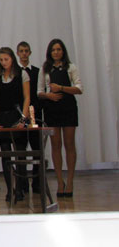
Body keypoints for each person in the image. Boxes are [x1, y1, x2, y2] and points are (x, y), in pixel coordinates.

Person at [37, 39, 82, 197]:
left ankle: (70, 180)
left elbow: (79, 88)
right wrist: (48, 95)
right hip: (52, 109)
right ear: (49, 52)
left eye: (59, 49)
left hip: (68, 108)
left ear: (63, 51)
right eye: (53, 50)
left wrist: (61, 88)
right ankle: (59, 181)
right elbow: (39, 91)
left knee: (69, 144)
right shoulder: (45, 69)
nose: (56, 52)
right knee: (55, 145)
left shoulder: (71, 67)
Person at [0, 47, 30, 202]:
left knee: (20, 153)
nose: (3, 62)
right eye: (1, 60)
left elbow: (27, 98)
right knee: (6, 154)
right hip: (2, 117)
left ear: (12, 58)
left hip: (17, 115)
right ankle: (9, 189)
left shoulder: (22, 74)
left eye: (6, 59)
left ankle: (20, 188)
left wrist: (23, 119)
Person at [17, 41, 42, 193]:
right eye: (21, 51)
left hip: (35, 114)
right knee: (20, 150)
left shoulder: (37, 72)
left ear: (30, 53)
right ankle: (22, 183)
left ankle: (37, 183)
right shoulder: (14, 72)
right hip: (19, 115)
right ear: (17, 53)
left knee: (37, 149)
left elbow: (39, 93)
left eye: (26, 51)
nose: (24, 53)